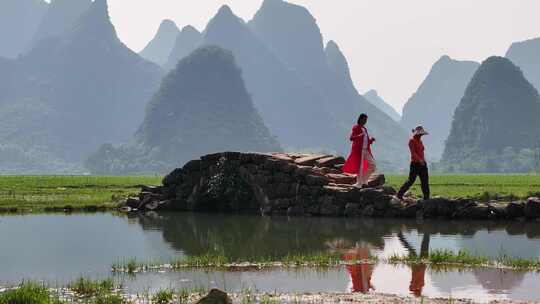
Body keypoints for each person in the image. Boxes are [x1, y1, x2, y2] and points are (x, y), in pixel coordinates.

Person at [343, 113, 376, 188]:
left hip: (366, 150)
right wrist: (359, 136)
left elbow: (366, 141)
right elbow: (351, 138)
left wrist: (371, 140)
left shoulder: (365, 129)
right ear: (360, 119)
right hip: (359, 150)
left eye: (366, 120)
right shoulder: (356, 127)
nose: (365, 121)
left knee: (373, 165)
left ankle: (364, 180)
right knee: (360, 166)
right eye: (364, 119)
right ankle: (359, 183)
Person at [397, 126, 430, 200]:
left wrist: (423, 161)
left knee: (425, 181)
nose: (421, 135)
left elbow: (422, 152)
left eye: (421, 134)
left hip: (423, 164)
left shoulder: (420, 141)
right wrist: (420, 160)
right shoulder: (411, 141)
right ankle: (399, 194)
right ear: (416, 134)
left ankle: (426, 197)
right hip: (415, 164)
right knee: (411, 180)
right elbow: (413, 153)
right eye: (420, 134)